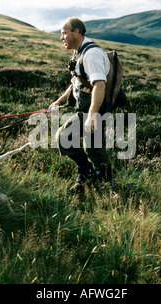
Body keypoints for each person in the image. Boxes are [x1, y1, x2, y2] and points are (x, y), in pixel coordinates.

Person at [49, 17, 112, 192]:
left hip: (94, 109)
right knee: (66, 138)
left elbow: (99, 84)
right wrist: (60, 100)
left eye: (64, 33)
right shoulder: (80, 52)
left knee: (94, 149)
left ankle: (106, 187)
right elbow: (78, 83)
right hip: (85, 109)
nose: (61, 37)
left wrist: (92, 115)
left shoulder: (91, 55)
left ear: (76, 32)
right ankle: (87, 175)